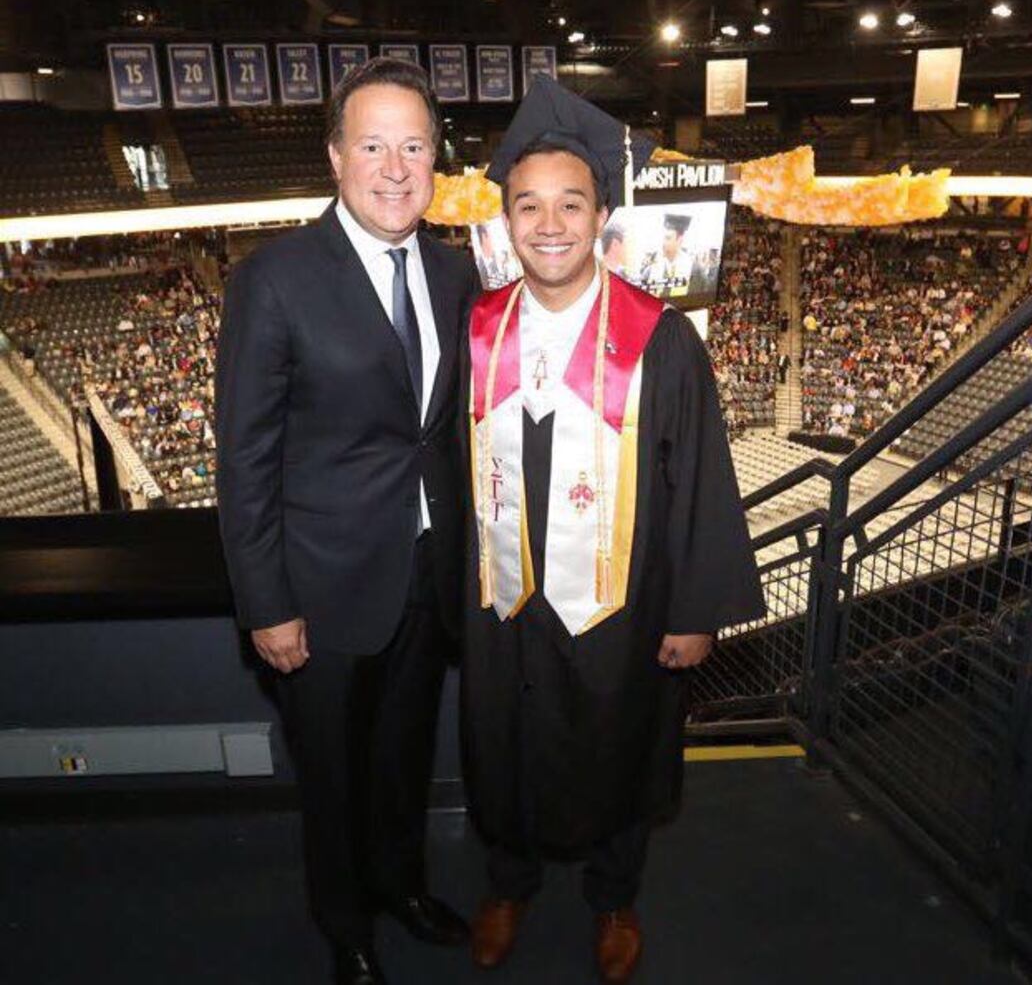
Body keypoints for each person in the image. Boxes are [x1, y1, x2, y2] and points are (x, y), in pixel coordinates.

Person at [460, 76, 764, 982]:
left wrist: (694, 608)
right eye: (528, 205)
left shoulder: (661, 340)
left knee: (619, 742)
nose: (548, 224)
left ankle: (614, 896)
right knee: (502, 743)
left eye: (570, 203)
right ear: (506, 220)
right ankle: (509, 883)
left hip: (620, 607)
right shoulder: (478, 330)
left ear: (602, 217)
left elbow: (700, 478)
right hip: (503, 602)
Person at [215, 57, 477, 985]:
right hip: (318, 591)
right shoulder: (274, 279)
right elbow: (244, 459)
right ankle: (346, 925)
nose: (396, 166)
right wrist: (265, 601)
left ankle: (402, 884)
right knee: (329, 774)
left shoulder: (454, 273)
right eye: (373, 144)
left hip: (426, 573)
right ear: (335, 157)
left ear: (436, 161)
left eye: (415, 145)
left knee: (405, 752)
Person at [641, 212, 694, 297]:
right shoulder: (650, 272)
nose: (663, 243)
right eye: (663, 238)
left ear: (680, 240)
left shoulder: (694, 270)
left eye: (668, 238)